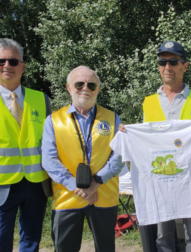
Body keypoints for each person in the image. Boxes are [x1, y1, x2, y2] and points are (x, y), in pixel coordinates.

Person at [119, 41, 191, 252]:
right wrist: (128, 134)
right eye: (162, 62)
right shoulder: (149, 102)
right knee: (163, 236)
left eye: (173, 61)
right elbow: (145, 144)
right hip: (160, 180)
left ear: (185, 66)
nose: (167, 67)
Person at [41, 66, 124, 252]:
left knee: (106, 248)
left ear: (98, 90)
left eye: (91, 85)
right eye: (79, 84)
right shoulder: (53, 120)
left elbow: (119, 155)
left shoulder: (112, 118)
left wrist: (97, 182)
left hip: (103, 194)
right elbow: (49, 160)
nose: (85, 88)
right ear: (69, 88)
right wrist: (76, 187)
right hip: (67, 197)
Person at [0, 38, 51, 252]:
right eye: (1, 61)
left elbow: (55, 139)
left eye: (13, 61)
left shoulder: (42, 99)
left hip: (35, 182)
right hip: (2, 184)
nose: (6, 66)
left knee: (31, 241)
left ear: (23, 66)